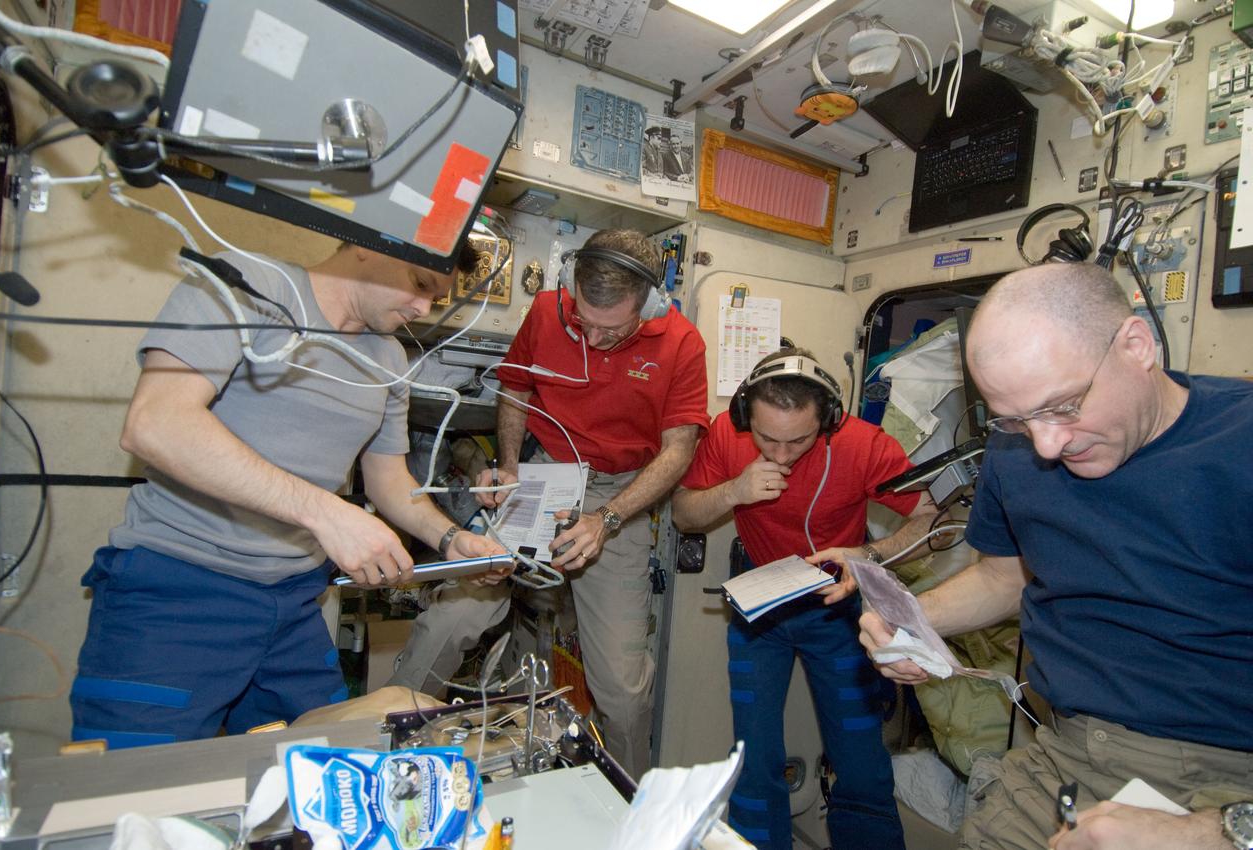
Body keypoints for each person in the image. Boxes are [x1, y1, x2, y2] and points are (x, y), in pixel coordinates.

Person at [857, 263, 1253, 850]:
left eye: (1063, 406)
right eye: (1015, 419)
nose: (1046, 444)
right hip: (1063, 753)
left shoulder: (1239, 443)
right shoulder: (1016, 454)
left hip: (1225, 776)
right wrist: (914, 620)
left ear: (1137, 346)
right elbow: (1005, 574)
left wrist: (1212, 832)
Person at [69, 240, 506, 748]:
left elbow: (388, 479)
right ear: (370, 243)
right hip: (178, 591)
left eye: (436, 298)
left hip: (293, 604)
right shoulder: (243, 287)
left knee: (320, 782)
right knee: (133, 796)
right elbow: (156, 424)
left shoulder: (388, 357)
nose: (422, 309)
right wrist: (326, 512)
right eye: (420, 284)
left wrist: (451, 539)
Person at [390, 229, 710, 779]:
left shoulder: (682, 344)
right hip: (543, 473)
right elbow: (516, 388)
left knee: (621, 686)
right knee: (458, 613)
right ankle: (380, 751)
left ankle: (631, 811)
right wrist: (511, 466)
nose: (595, 339)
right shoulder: (546, 311)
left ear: (651, 304)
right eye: (584, 322)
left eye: (614, 330)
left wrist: (606, 520)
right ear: (571, 286)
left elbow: (679, 448)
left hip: (619, 494)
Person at [672, 348, 939, 850]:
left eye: (797, 441)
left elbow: (932, 518)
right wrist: (734, 491)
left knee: (860, 758)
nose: (779, 454)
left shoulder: (863, 445)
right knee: (754, 757)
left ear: (829, 421)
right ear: (745, 415)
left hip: (835, 610)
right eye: (767, 438)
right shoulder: (727, 435)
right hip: (759, 612)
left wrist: (867, 554)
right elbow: (685, 514)